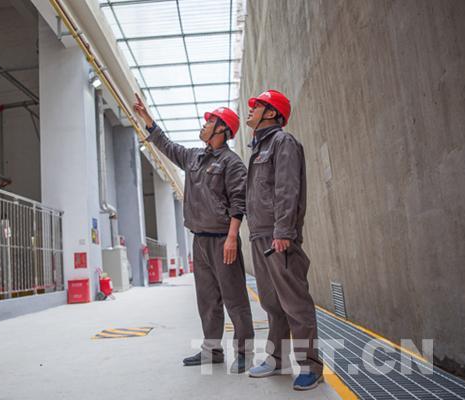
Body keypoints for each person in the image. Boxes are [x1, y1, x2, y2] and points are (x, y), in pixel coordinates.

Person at [134, 93, 254, 373]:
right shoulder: (193, 157)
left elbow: (239, 202)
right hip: (199, 241)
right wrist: (148, 119)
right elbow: (167, 145)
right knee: (207, 300)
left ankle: (244, 353)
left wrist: (232, 238)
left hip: (223, 240)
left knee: (235, 299)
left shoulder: (232, 163)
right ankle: (212, 352)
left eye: (210, 121)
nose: (204, 125)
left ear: (222, 129)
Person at [244, 90, 324, 390]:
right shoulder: (259, 148)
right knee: (271, 303)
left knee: (295, 304)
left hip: (277, 236)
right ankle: (277, 359)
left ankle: (310, 366)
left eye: (257, 105)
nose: (251, 109)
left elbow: (288, 189)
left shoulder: (283, 142)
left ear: (272, 113)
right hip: (259, 234)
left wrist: (283, 231)